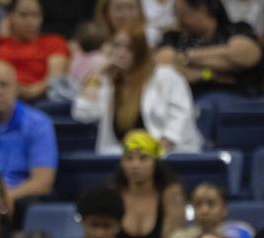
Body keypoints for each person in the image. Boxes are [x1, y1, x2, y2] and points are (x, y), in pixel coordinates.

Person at [73, 25, 202, 154]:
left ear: (141, 51)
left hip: (168, 156)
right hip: (123, 158)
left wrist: (155, 155)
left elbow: (179, 122)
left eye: (129, 48)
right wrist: (97, 75)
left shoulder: (167, 77)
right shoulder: (110, 83)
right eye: (116, 46)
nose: (120, 53)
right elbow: (83, 113)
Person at [0, 60, 58, 202]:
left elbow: (43, 183)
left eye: (3, 85)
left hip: (21, 201)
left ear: (16, 88)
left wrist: (2, 199)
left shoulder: (39, 124)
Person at [157, 0, 263, 98]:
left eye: (183, 15)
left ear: (202, 10)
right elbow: (164, 61)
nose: (179, 21)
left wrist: (186, 57)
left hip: (241, 99)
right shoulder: (175, 38)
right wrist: (208, 74)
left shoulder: (235, 29)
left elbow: (247, 56)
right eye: (176, 15)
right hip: (194, 100)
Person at [0, 0, 70, 102]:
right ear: (10, 17)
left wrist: (31, 91)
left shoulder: (55, 42)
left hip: (39, 100)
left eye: (36, 15)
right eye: (23, 15)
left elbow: (55, 78)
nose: (30, 21)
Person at [111, 129, 185, 238]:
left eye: (143, 158)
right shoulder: (112, 194)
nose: (135, 165)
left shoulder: (170, 194)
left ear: (155, 162)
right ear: (122, 163)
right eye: (129, 158)